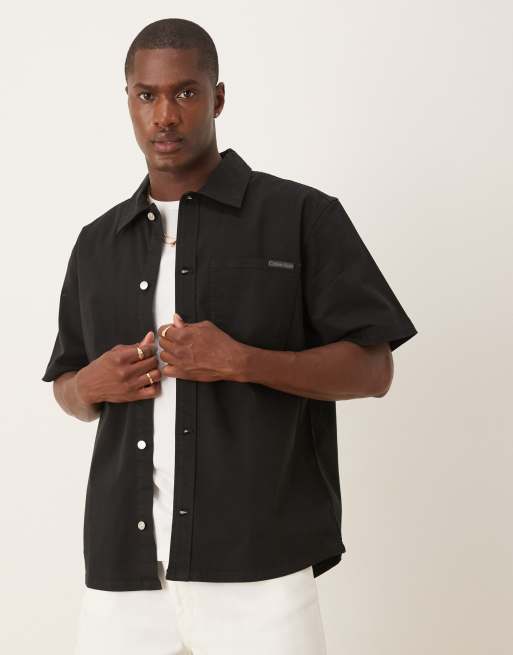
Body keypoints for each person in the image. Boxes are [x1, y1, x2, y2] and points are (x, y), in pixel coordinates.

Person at [42, 17, 418, 655]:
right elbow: (69, 389)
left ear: (217, 98)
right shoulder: (97, 243)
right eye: (147, 95)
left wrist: (243, 361)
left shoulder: (302, 216)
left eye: (185, 93)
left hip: (260, 568)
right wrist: (89, 387)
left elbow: (373, 369)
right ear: (128, 100)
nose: (165, 115)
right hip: (124, 574)